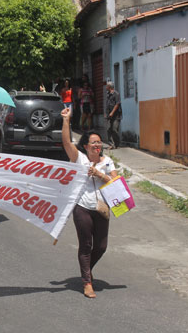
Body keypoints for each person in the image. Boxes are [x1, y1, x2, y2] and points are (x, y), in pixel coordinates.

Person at [61, 107, 118, 299]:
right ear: (85, 146)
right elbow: (67, 142)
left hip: (102, 208)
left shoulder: (108, 161)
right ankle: (87, 282)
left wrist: (100, 174)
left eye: (99, 142)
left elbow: (116, 184)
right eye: (93, 143)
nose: (97, 145)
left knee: (101, 246)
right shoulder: (80, 159)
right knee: (86, 245)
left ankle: (86, 270)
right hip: (82, 208)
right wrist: (66, 120)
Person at [105, 81, 122, 149]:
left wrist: (112, 112)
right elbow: (107, 105)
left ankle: (117, 143)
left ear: (109, 87)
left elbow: (117, 104)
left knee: (114, 129)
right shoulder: (108, 94)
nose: (106, 87)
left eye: (107, 86)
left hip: (116, 115)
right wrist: (106, 113)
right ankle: (111, 144)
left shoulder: (116, 94)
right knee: (108, 129)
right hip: (109, 115)